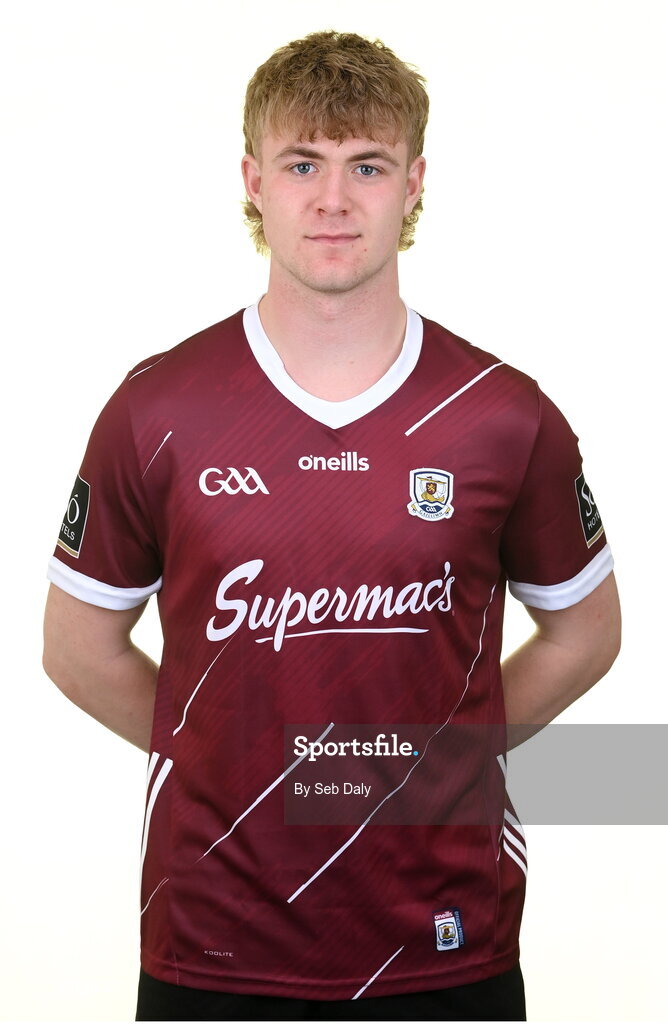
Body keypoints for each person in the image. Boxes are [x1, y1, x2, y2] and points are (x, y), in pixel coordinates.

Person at [42, 29, 621, 1022]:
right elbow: (77, 645)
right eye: (301, 163)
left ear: (414, 183)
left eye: (367, 165)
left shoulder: (501, 413)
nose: (332, 199)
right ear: (251, 180)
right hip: (211, 936)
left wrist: (438, 755)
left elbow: (585, 629)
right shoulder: (158, 407)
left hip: (444, 938)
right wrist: (228, 750)